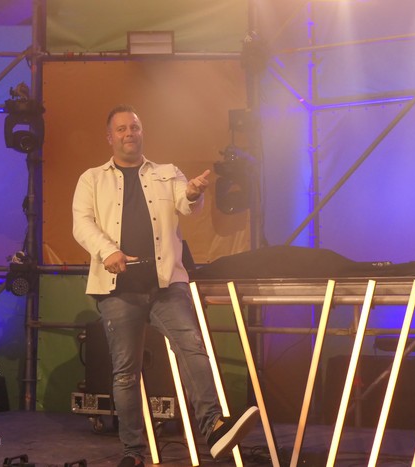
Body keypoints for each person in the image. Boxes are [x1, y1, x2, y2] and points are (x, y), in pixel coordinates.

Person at [72, 104, 260, 467]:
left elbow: (186, 205)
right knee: (126, 373)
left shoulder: (166, 173)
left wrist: (193, 193)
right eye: (122, 129)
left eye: (135, 127)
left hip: (166, 283)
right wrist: (108, 251)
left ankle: (214, 427)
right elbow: (82, 223)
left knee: (192, 346)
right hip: (118, 288)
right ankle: (132, 452)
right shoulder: (92, 179)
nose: (129, 134)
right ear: (110, 137)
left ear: (142, 132)